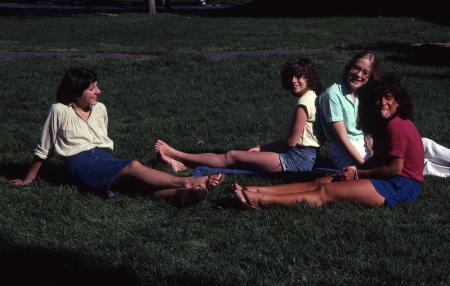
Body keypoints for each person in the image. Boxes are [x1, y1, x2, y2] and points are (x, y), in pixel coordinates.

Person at [9, 68, 224, 207]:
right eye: (92, 88)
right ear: (76, 92)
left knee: (134, 186)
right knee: (133, 166)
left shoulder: (100, 108)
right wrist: (28, 180)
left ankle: (181, 196)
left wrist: (107, 161)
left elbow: (102, 142)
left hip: (103, 158)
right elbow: (42, 149)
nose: (98, 91)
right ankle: (188, 182)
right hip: (79, 164)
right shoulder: (59, 110)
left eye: (97, 86)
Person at [233, 74, 425, 208]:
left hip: (399, 185)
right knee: (318, 181)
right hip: (386, 177)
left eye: (389, 98)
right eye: (379, 98)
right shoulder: (388, 123)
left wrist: (359, 174)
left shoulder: (397, 126)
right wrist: (357, 171)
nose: (383, 102)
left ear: (399, 101)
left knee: (326, 192)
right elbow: (380, 158)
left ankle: (262, 200)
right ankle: (257, 189)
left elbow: (394, 169)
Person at [155, 58, 322, 173]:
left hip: (296, 160)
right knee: (235, 156)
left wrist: (264, 149)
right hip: (301, 157)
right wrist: (262, 149)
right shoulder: (311, 97)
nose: (293, 80)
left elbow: (290, 143)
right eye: (291, 76)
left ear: (309, 77)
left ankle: (177, 156)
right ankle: (182, 159)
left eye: (299, 76)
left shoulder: (304, 103)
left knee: (232, 156)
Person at [318, 51, 381, 169]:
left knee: (420, 145)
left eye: (365, 73)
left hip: (364, 144)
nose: (359, 75)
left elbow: (367, 132)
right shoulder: (332, 95)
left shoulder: (362, 93)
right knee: (384, 172)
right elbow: (343, 139)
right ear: (349, 67)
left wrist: (374, 153)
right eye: (356, 68)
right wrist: (366, 166)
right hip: (344, 149)